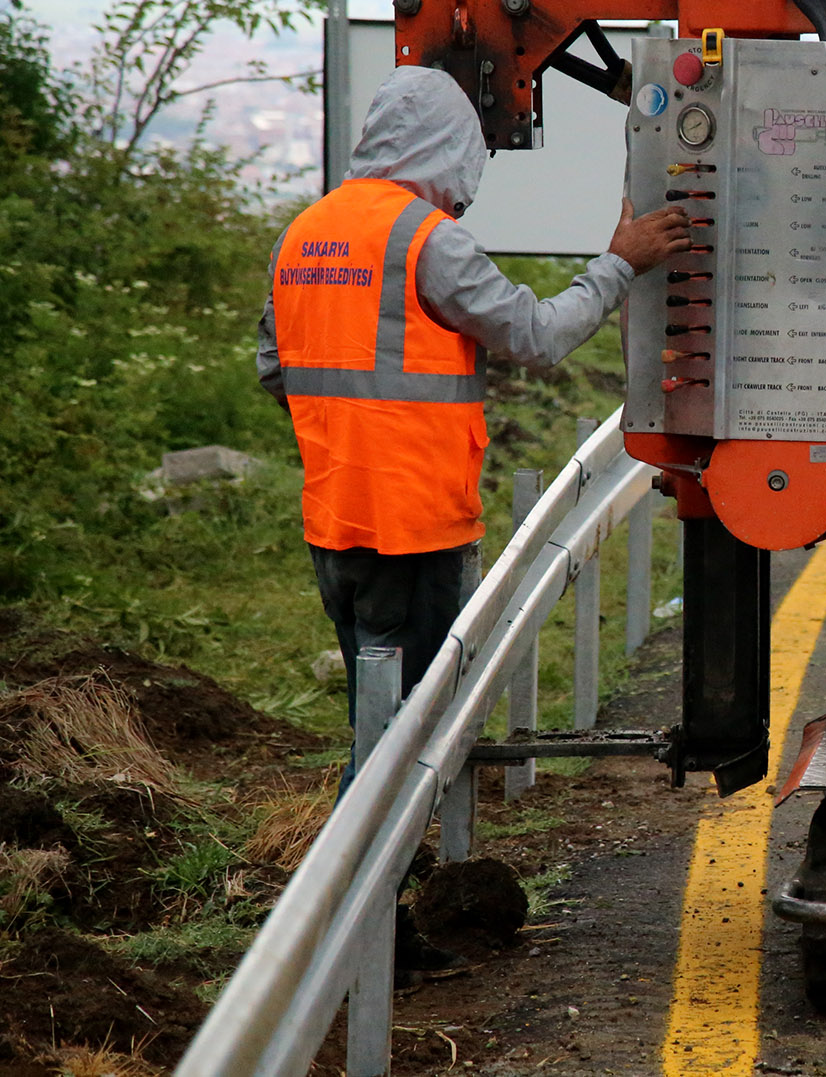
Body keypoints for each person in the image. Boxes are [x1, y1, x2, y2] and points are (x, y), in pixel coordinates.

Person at [256, 66, 688, 977]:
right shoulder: (427, 241)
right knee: (394, 750)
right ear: (448, 146)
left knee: (376, 723)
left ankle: (359, 936)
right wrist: (622, 261)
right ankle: (361, 943)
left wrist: (354, 421)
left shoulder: (308, 232)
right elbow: (534, 334)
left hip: (334, 519)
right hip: (413, 528)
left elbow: (275, 364)